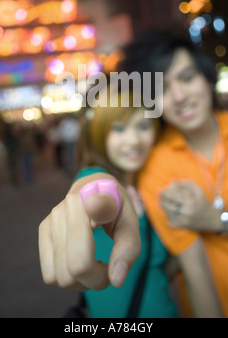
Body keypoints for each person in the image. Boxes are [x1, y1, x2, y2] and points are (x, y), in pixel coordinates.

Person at [119, 30, 228, 318]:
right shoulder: (156, 165)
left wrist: (215, 219)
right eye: (161, 89)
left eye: (186, 78)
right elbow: (194, 270)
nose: (179, 97)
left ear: (207, 78)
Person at [39, 82, 178, 318]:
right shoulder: (96, 178)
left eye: (143, 126)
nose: (133, 140)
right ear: (100, 134)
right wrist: (95, 197)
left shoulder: (156, 185)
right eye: (119, 128)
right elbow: (95, 188)